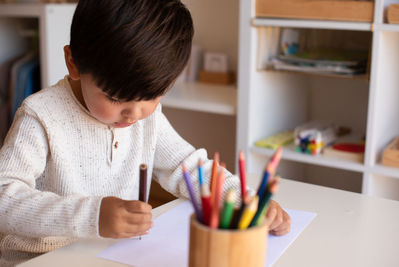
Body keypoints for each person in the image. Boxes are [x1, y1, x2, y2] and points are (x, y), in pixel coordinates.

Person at [0, 0, 291, 265]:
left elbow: (188, 167)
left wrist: (245, 200)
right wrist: (93, 216)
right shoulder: (40, 116)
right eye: (114, 98)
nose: (134, 114)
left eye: (152, 97)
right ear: (73, 63)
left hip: (113, 254)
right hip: (39, 259)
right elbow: (4, 198)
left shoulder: (144, 119)